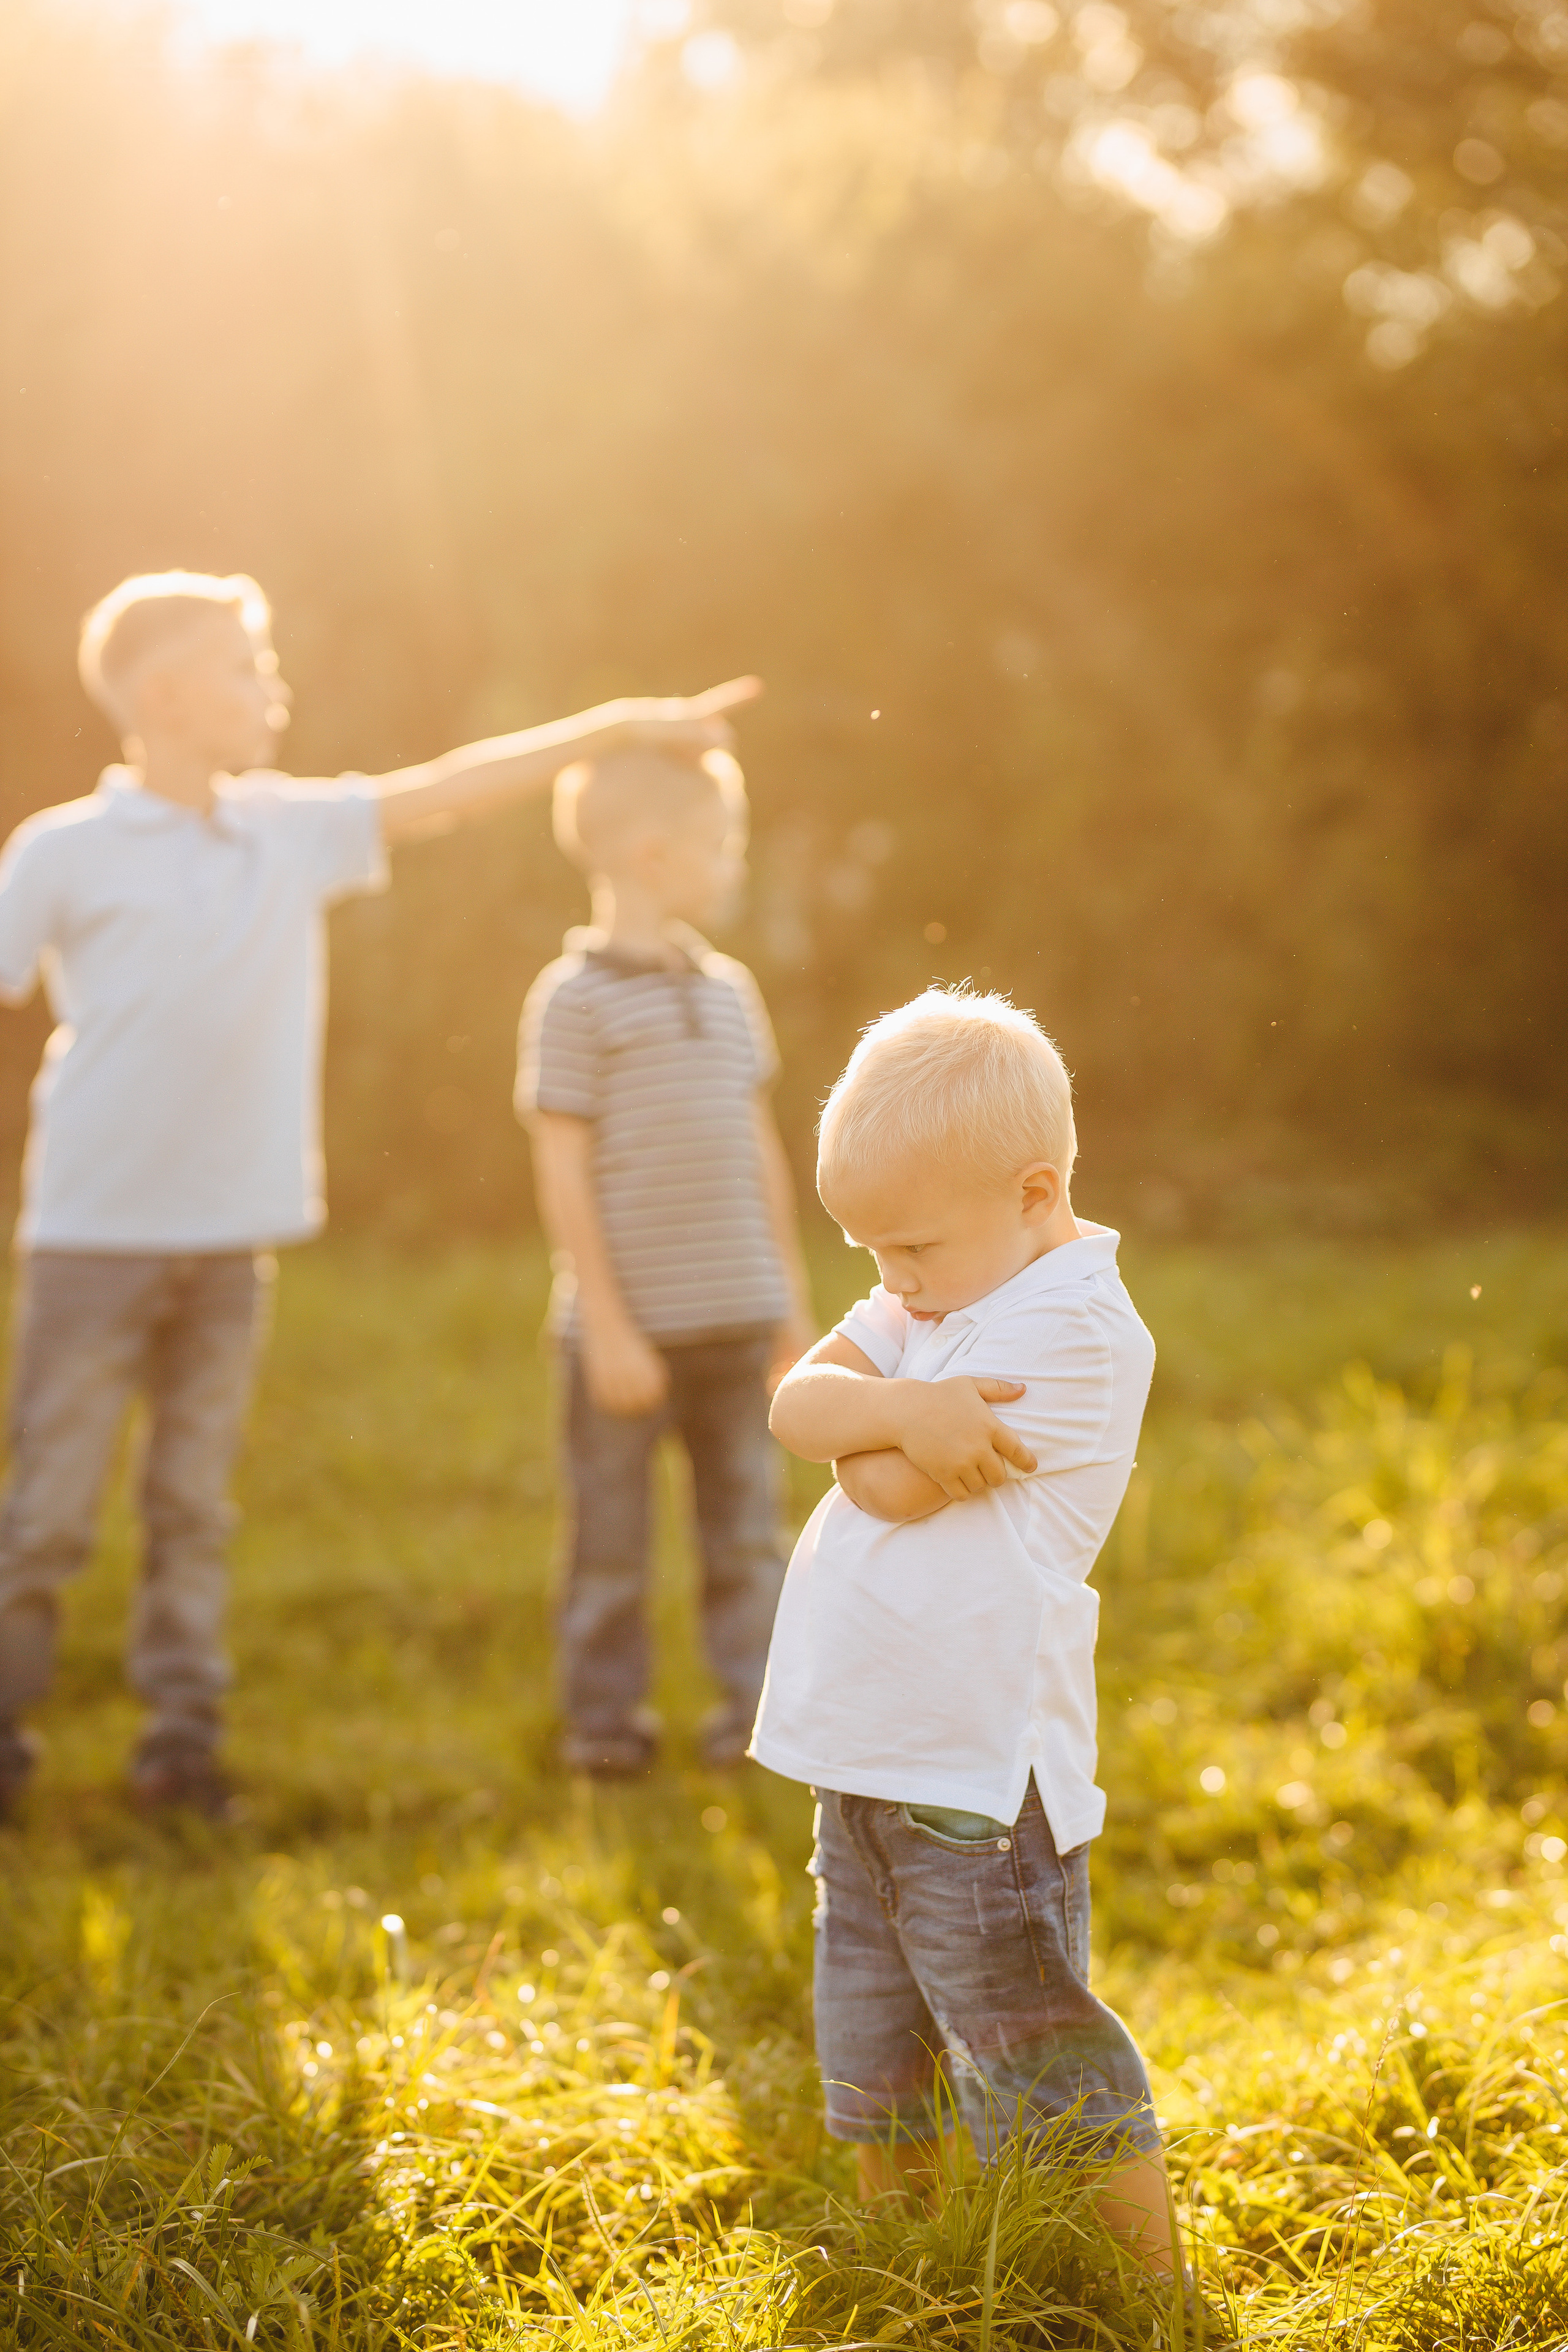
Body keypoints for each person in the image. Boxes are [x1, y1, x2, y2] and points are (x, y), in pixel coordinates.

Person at [0, 567, 755, 1821]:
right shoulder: (64, 849)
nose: (274, 688)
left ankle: (182, 1753)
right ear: (170, 693)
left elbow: (445, 791)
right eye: (249, 667)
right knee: (47, 1515)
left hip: (232, 1243)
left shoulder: (284, 831)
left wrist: (614, 724)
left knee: (193, 1506)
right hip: (92, 1239)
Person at [752, 986, 1175, 2272]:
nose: (891, 1281)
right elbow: (793, 1401)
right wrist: (899, 1401)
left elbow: (874, 1476)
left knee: (1032, 2044)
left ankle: (1138, 2294)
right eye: (873, 1258)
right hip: (867, 1759)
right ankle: (916, 2264)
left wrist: (881, 1409)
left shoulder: (1077, 1330)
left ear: (1034, 1190)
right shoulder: (939, 1298)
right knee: (875, 2048)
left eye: (912, 1251)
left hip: (979, 1788)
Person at [516, 744, 814, 1777]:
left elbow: (759, 1152)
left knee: (747, 1536)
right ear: (652, 854)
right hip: (628, 1337)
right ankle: (603, 1727)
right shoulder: (573, 1000)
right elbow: (562, 1169)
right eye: (720, 845)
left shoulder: (730, 991)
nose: (734, 864)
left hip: (737, 1321)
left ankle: (758, 1719)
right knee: (611, 1546)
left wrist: (790, 1308)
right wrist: (604, 1322)